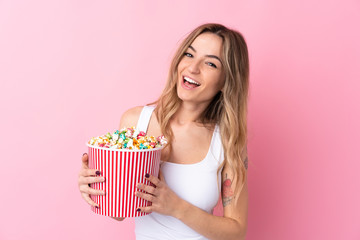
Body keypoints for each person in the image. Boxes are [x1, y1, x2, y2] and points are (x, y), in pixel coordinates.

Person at [78, 23, 249, 240]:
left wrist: (175, 206)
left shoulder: (227, 140)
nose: (192, 68)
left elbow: (236, 232)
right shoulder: (136, 123)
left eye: (210, 63)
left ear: (227, 80)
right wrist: (94, 189)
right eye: (189, 54)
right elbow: (118, 211)